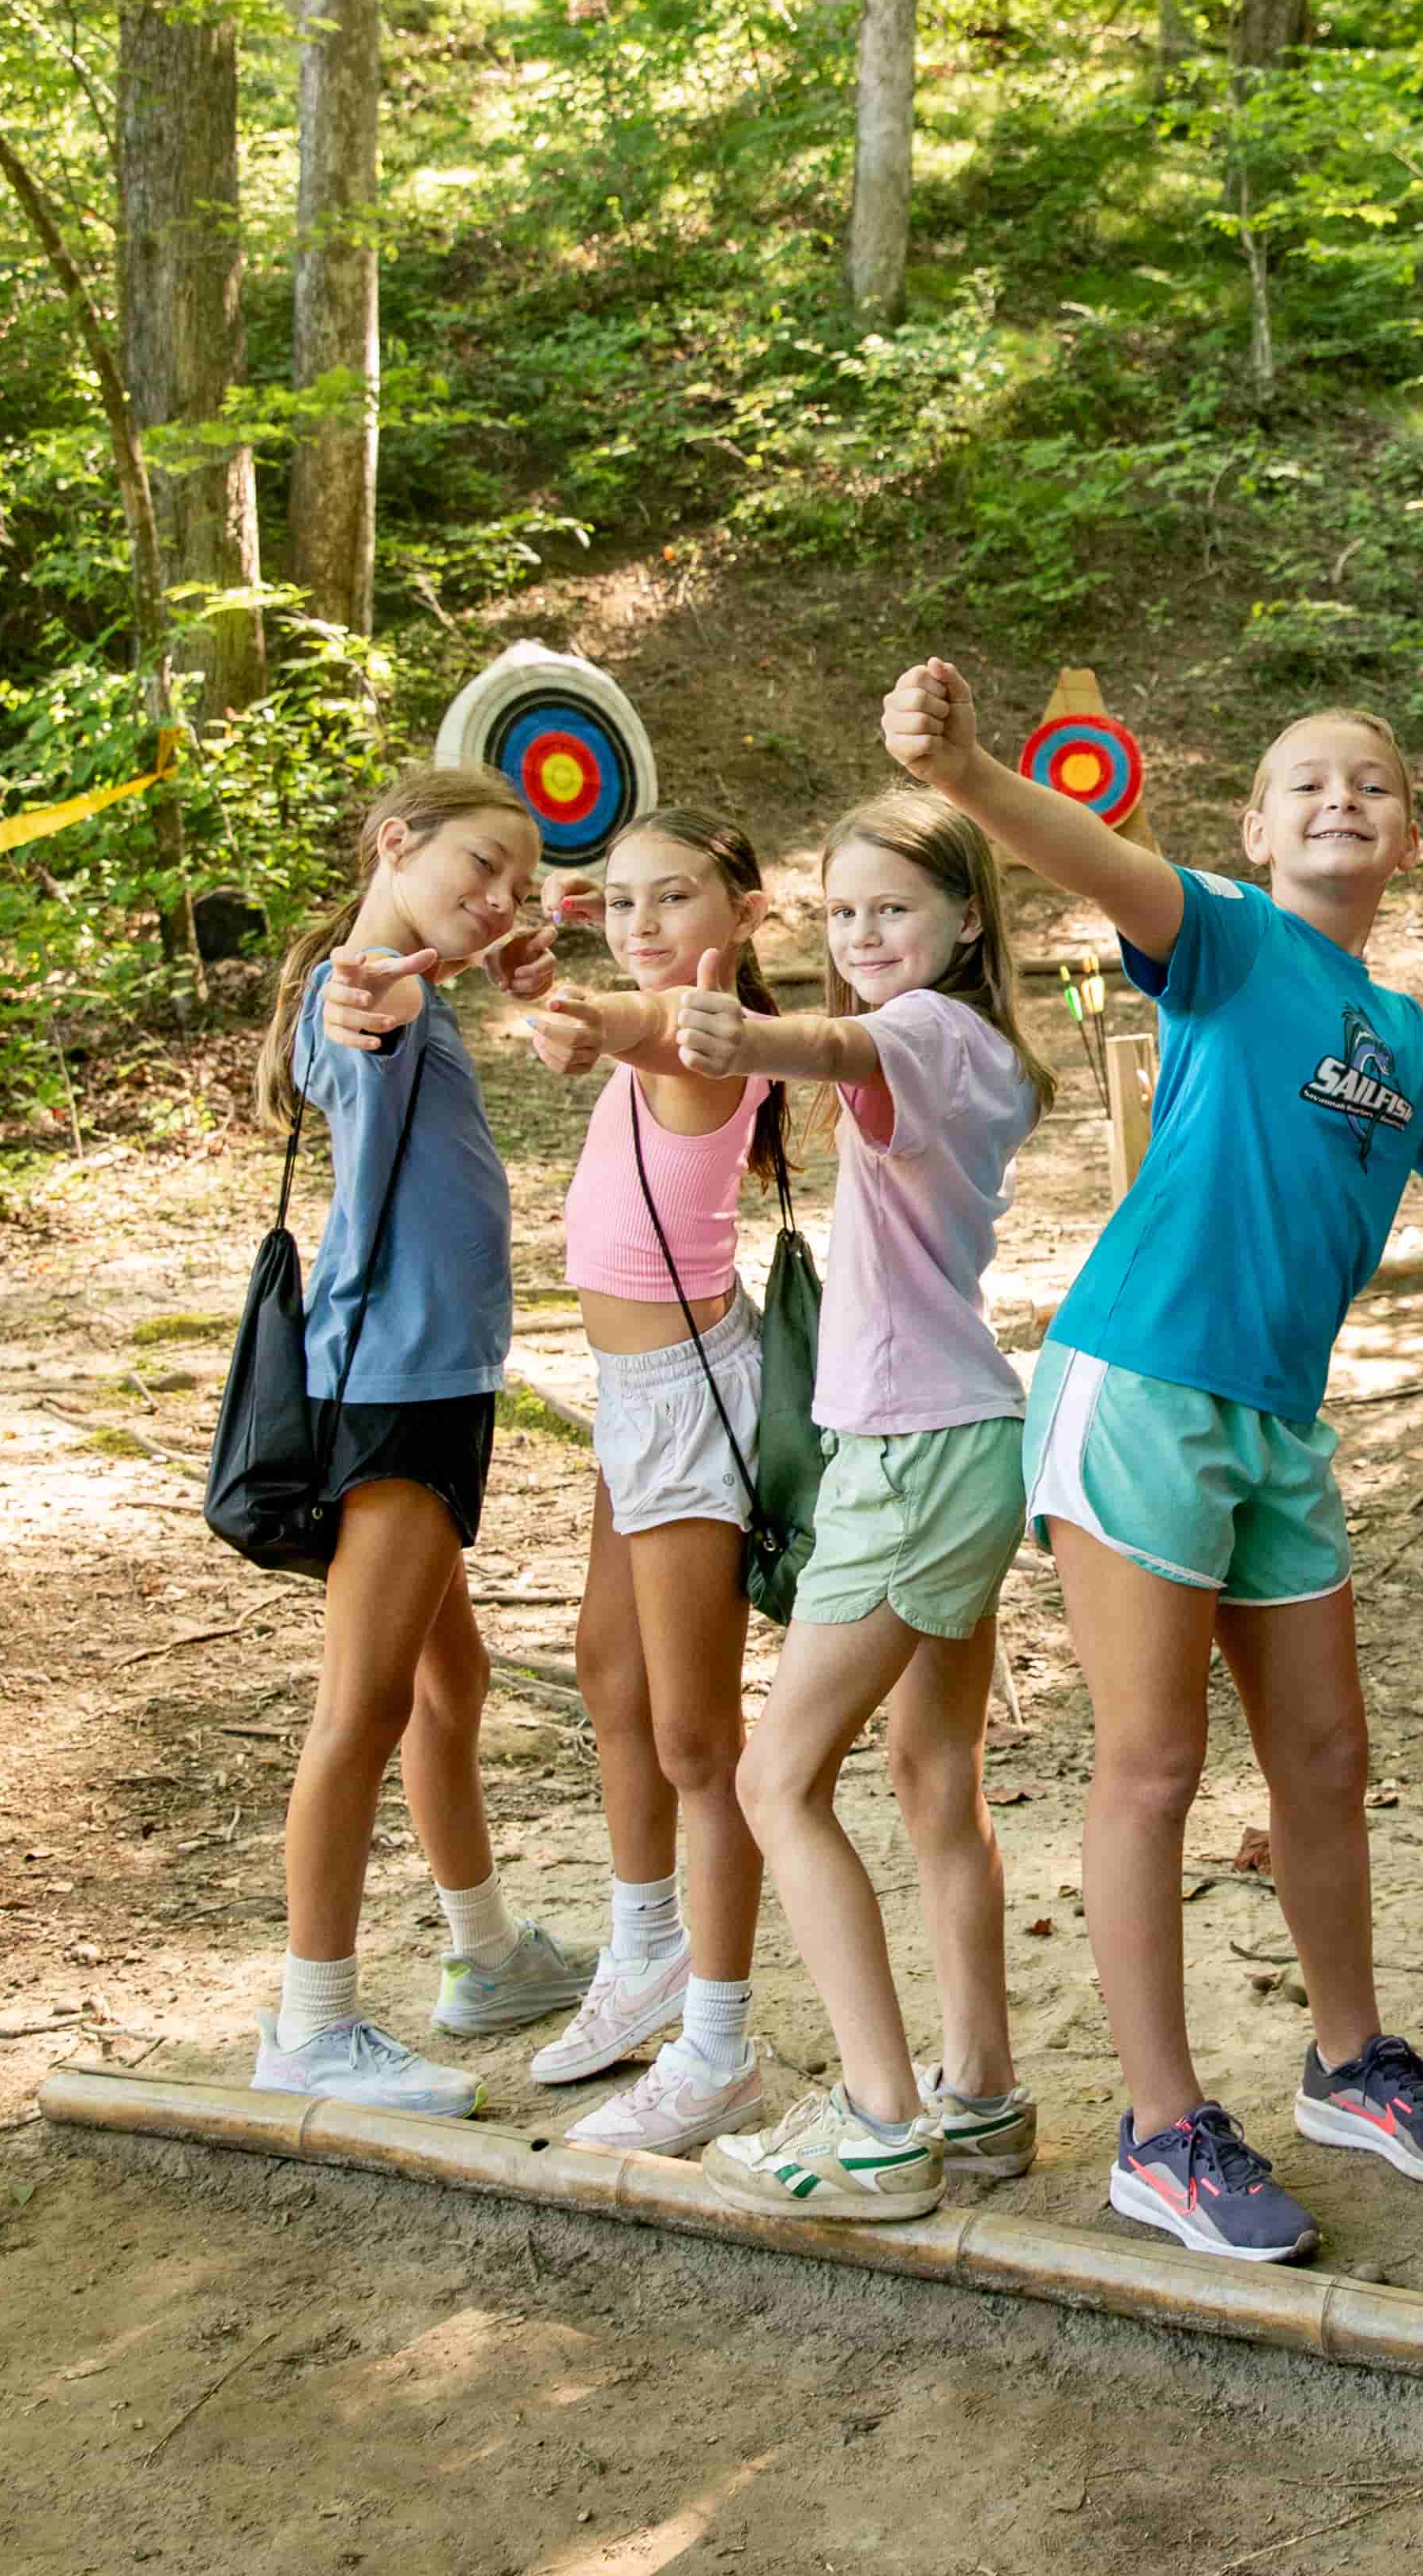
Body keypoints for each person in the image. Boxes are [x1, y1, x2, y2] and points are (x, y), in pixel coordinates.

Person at [885, 660, 1423, 2264]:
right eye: (1308, 782)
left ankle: (1350, 2063)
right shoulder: (1223, 936)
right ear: (1261, 829)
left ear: (1409, 838)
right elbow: (1088, 858)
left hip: (1276, 1418)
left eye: (1375, 784)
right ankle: (1159, 2130)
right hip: (1139, 1379)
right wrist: (974, 769)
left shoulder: (1411, 1039)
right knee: (1150, 1762)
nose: (1344, 798)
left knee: (1325, 1760)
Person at [684, 795, 1060, 2217]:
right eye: (840, 914)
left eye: (892, 909)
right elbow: (837, 1040)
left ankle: (882, 2122)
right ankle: (981, 2099)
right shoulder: (974, 1049)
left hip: (911, 1458)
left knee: (775, 1781)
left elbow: (836, 1043)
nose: (862, 937)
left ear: (968, 920)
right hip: (951, 1437)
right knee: (930, 1782)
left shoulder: (923, 1034)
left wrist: (751, 1034)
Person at [247, 765, 585, 2117]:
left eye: (517, 881)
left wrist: (488, 965)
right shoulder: (368, 987)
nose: (496, 898)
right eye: (479, 868)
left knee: (453, 1686)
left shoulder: (413, 978)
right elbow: (355, 1009)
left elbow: (407, 984)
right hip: (391, 1386)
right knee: (364, 1710)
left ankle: (489, 1956)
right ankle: (311, 2027)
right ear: (398, 842)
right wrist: (382, 987)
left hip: (432, 1378)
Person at [501, 812, 790, 2154]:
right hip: (636, 1396)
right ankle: (643, 1952)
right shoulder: (657, 1009)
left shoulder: (705, 1036)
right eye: (620, 902)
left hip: (689, 1403)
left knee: (697, 1739)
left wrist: (580, 1005)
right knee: (608, 1674)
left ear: (743, 912)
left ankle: (721, 2041)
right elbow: (609, 1003)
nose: (644, 924)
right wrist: (550, 957)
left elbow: (631, 1026)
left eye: (673, 899)